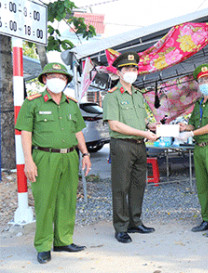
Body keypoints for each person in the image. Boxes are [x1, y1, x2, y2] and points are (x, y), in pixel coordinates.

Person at [15, 62, 92, 264]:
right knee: (45, 202)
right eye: (52, 76)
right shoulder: (33, 103)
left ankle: (63, 240)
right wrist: (28, 162)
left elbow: (78, 131)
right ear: (44, 79)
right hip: (44, 157)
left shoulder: (71, 103)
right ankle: (42, 245)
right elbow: (26, 133)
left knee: (67, 199)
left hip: (69, 156)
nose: (57, 80)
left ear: (66, 81)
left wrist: (85, 154)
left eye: (61, 76)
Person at [102, 52, 159, 243]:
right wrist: (144, 133)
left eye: (134, 69)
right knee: (121, 187)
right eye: (127, 69)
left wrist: (149, 126)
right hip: (122, 145)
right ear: (119, 72)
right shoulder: (112, 96)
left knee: (138, 185)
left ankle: (136, 222)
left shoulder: (137, 94)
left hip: (139, 145)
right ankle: (121, 227)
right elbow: (115, 125)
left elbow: (140, 119)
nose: (131, 72)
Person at [177, 64, 208, 238]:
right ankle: (206, 219)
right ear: (198, 84)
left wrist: (191, 133)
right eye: (202, 80)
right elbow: (193, 123)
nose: (206, 82)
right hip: (199, 148)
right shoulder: (199, 104)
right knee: (203, 187)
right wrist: (185, 127)